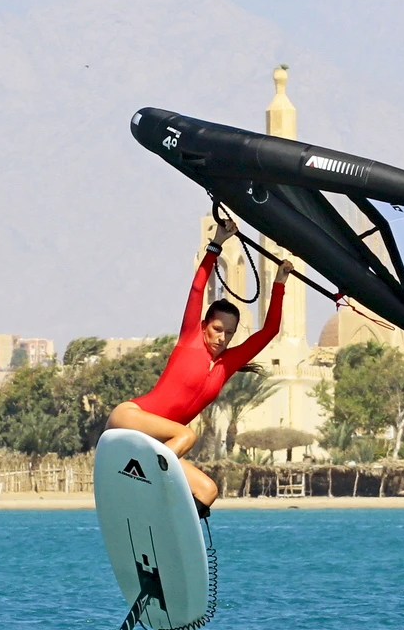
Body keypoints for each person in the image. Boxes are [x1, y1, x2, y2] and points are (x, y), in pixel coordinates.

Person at [107, 217, 293, 511]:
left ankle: (168, 525)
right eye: (218, 329)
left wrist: (280, 282)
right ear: (205, 325)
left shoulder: (227, 364)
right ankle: (143, 489)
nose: (222, 337)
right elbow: (197, 289)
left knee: (207, 490)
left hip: (161, 446)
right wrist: (216, 244)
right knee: (186, 434)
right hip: (131, 419)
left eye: (229, 333)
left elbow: (269, 331)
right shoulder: (190, 339)